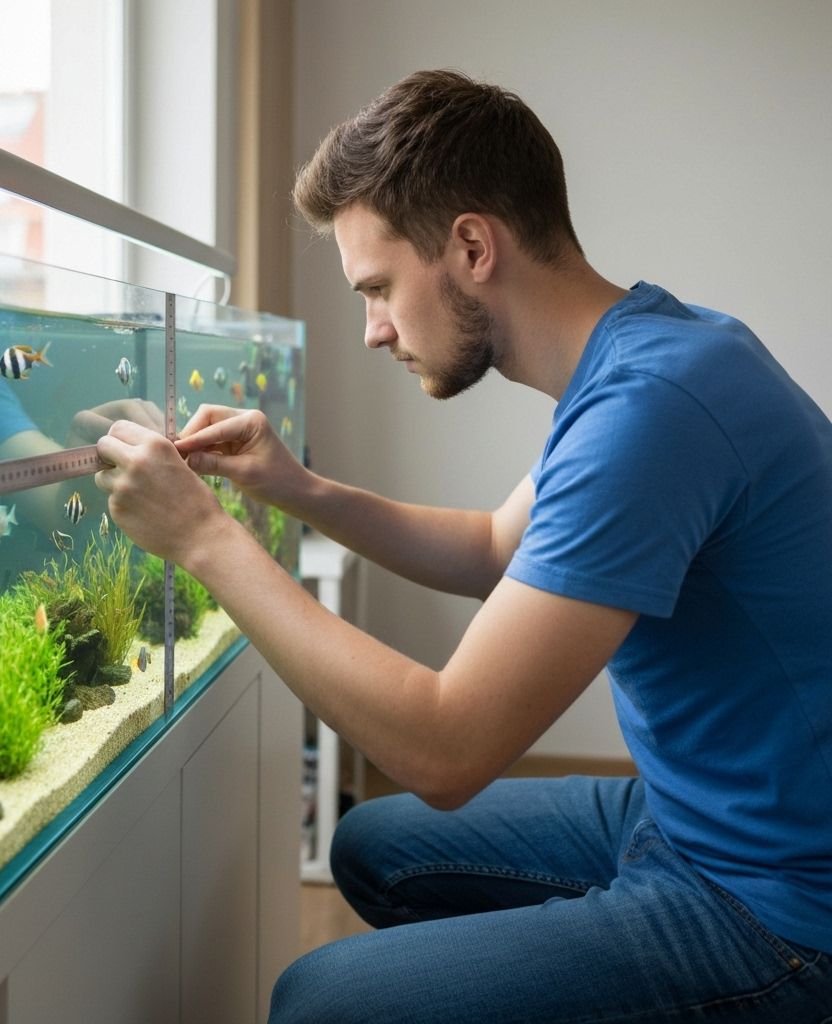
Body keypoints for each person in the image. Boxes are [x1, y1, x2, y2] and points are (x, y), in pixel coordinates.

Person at [94, 69, 832, 1022]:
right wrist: (295, 487)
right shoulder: (651, 353)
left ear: (473, 245)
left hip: (776, 901)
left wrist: (206, 540)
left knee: (319, 1000)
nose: (372, 331)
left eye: (379, 289)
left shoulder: (653, 411)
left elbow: (447, 749)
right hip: (691, 812)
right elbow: (493, 546)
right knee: (372, 846)